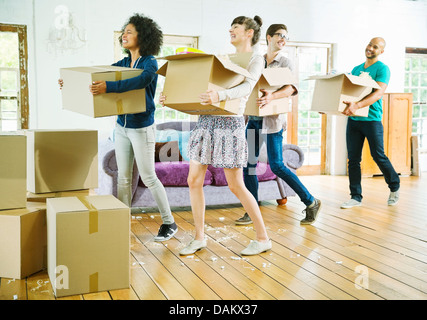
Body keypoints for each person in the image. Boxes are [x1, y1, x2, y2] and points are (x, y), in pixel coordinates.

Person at [160, 15, 271, 256]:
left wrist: (218, 97)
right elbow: (199, 85)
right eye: (230, 27)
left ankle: (263, 238)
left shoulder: (256, 59)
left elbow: (246, 88)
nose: (230, 30)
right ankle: (199, 237)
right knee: (193, 180)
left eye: (236, 27)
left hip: (229, 124)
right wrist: (173, 96)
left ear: (249, 32)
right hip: (205, 121)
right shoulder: (224, 58)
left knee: (236, 185)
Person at [60, 14, 177, 241]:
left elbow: (139, 82)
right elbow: (98, 77)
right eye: (124, 32)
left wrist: (109, 87)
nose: (124, 35)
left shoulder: (149, 62)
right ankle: (122, 222)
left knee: (149, 176)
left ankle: (169, 222)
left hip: (142, 128)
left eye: (129, 31)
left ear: (142, 36)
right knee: (123, 178)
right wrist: (70, 83)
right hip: (121, 127)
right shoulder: (124, 64)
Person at [235, 24, 321, 226]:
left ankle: (311, 201)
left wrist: (272, 96)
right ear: (269, 37)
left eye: (286, 37)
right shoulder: (256, 60)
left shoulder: (285, 63)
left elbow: (291, 88)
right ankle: (252, 209)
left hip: (272, 122)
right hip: (253, 121)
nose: (283, 39)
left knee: (277, 165)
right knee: (249, 166)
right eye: (280, 35)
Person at [341, 37, 400, 208]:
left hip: (371, 120)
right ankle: (355, 196)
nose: (371, 48)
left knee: (378, 156)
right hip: (353, 120)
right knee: (353, 159)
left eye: (376, 47)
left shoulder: (382, 69)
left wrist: (358, 105)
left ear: (381, 51)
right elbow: (348, 92)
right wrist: (330, 105)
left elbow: (378, 94)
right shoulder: (356, 69)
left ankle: (394, 186)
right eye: (370, 45)